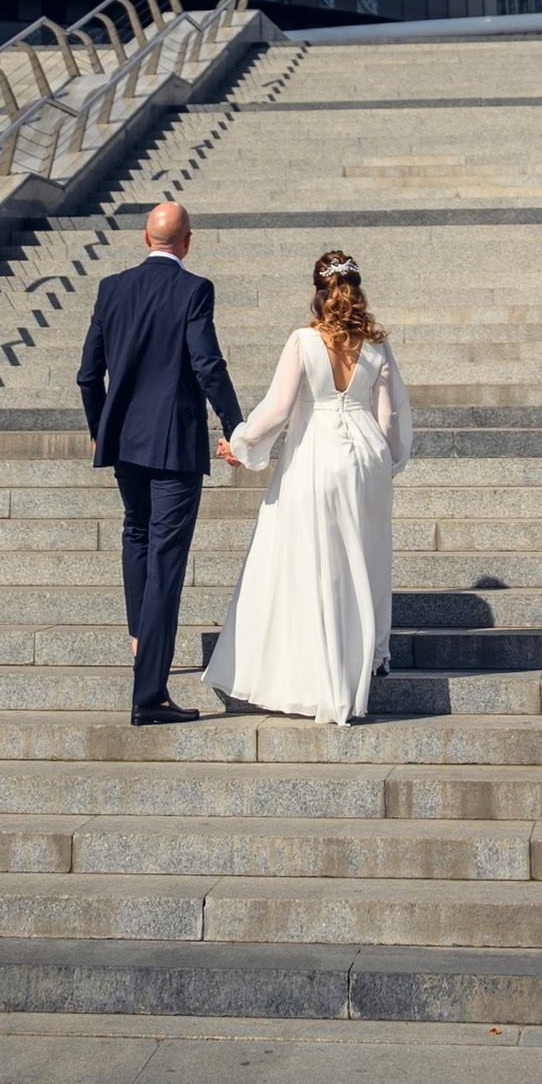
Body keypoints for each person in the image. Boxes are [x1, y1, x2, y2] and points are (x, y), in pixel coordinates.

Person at [202, 248, 413, 727]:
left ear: (318, 293)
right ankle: (363, 662)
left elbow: (277, 410)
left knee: (314, 563)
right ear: (357, 291)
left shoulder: (303, 340)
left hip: (316, 454)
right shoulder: (377, 346)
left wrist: (241, 443)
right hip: (365, 456)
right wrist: (388, 459)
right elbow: (390, 418)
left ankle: (320, 677)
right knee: (363, 559)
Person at [76, 196, 245, 725]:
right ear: (187, 242)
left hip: (124, 442)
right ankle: (149, 694)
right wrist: (234, 426)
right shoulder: (194, 289)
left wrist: (102, 430)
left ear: (146, 239)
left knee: (138, 536)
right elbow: (207, 363)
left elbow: (87, 374)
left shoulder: (112, 289)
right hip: (173, 444)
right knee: (165, 561)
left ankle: (139, 642)